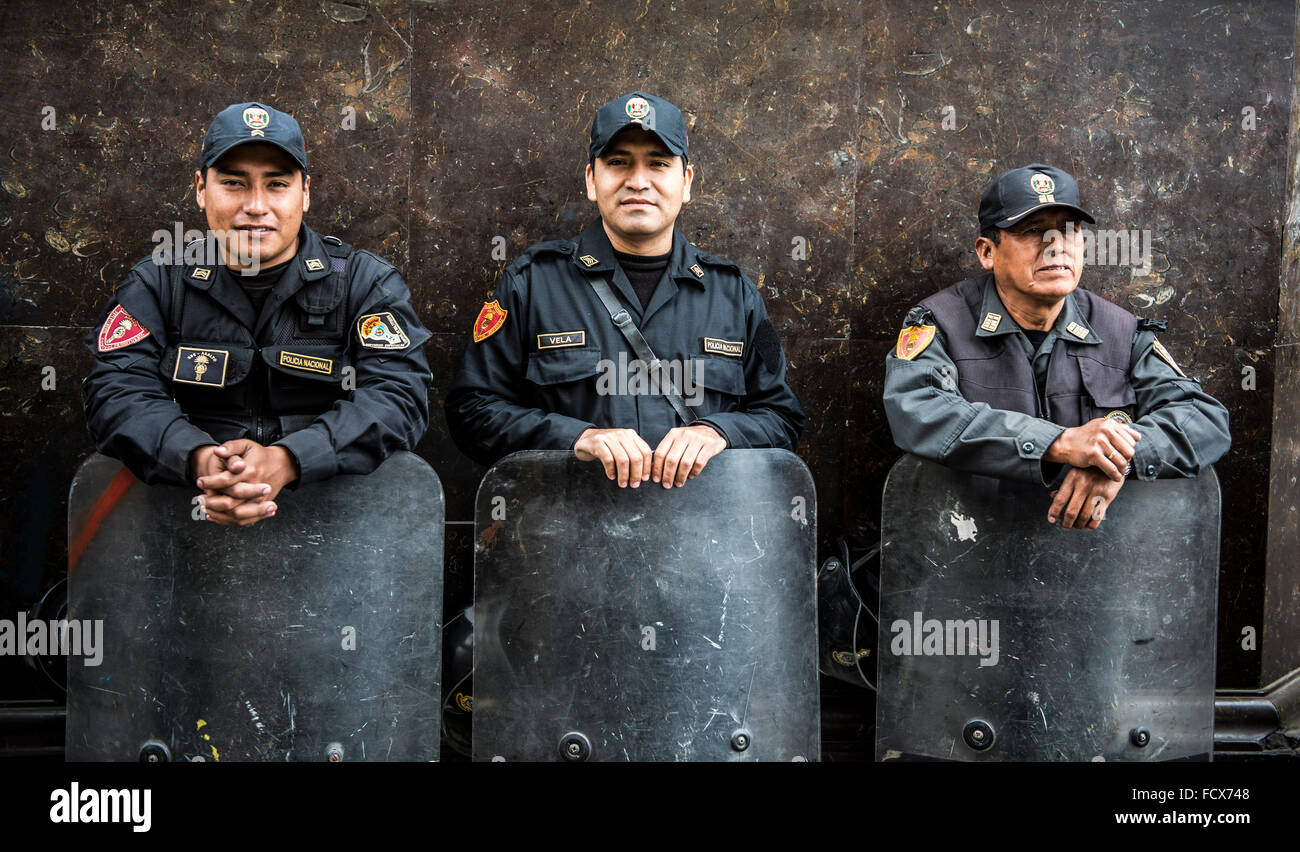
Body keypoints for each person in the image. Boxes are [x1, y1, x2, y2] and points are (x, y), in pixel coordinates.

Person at [83, 102, 431, 526]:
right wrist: (197, 459)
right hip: (183, 530)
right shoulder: (157, 284)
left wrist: (290, 460)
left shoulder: (366, 284)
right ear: (200, 188)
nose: (256, 205)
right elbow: (116, 393)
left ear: (305, 193)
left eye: (277, 184)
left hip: (338, 536)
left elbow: (398, 397)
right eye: (233, 183)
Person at [445, 92, 804, 488]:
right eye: (618, 162)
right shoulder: (531, 285)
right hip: (566, 533)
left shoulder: (734, 296)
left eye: (658, 163)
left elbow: (782, 418)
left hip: (702, 538)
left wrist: (718, 432)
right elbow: (471, 413)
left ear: (685, 182)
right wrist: (577, 438)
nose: (637, 181)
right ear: (591, 180)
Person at [883, 163, 1230, 530]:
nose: (1056, 246)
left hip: (1093, 560)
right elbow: (917, 410)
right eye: (1033, 231)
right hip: (967, 548)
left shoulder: (1120, 330)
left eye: (1070, 231)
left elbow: (1204, 418)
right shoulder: (941, 322)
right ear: (987, 252)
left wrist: (1117, 460)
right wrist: (1058, 443)